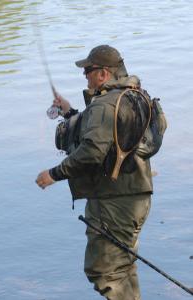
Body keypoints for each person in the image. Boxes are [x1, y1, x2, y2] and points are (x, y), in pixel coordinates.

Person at [35, 45, 156, 300]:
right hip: (136, 197)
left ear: (102, 73)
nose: (85, 76)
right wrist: (69, 112)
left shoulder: (104, 104)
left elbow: (92, 152)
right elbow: (111, 134)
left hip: (113, 203)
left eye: (88, 70)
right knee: (122, 267)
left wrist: (54, 174)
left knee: (105, 270)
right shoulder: (136, 95)